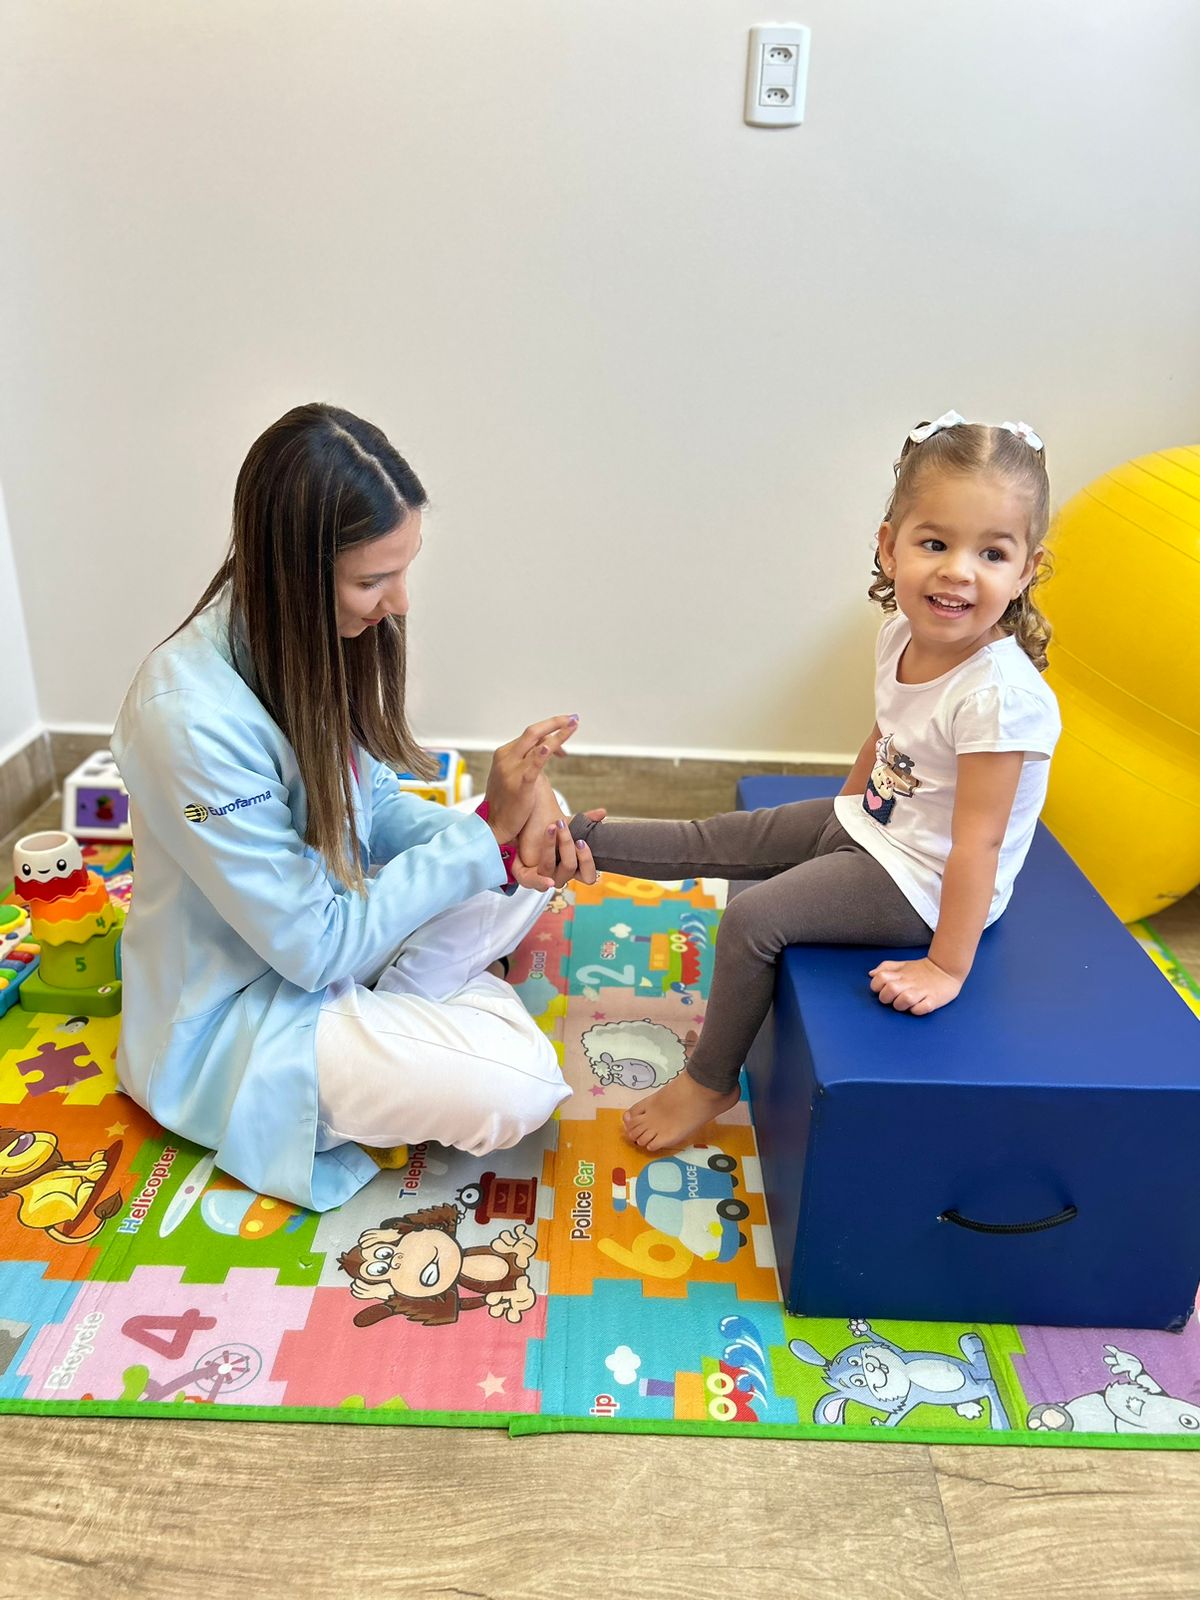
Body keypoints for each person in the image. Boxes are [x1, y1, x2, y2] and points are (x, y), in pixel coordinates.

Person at [112, 402, 596, 1211]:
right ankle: (425, 1005)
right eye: (373, 580)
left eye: (403, 571)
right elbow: (313, 947)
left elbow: (366, 802)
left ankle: (414, 1004)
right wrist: (483, 841)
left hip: (331, 942)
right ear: (291, 575)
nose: (399, 602)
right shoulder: (187, 718)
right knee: (520, 1089)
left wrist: (509, 840)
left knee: (544, 816)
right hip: (247, 1016)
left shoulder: (304, 642)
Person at [569, 411, 1062, 1151]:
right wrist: (840, 814)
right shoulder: (902, 631)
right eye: (935, 543)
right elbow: (889, 734)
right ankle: (573, 841)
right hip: (876, 825)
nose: (959, 570)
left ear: (1025, 571)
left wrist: (945, 966)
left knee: (752, 919)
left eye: (992, 554)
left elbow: (979, 845)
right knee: (721, 837)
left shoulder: (999, 698)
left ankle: (708, 1082)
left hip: (925, 882)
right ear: (889, 547)